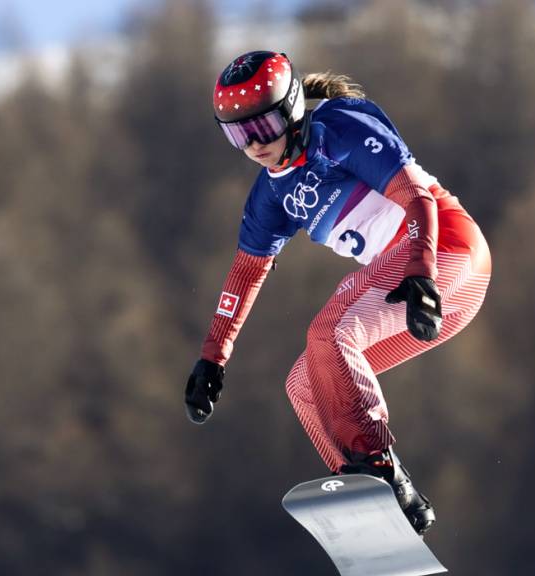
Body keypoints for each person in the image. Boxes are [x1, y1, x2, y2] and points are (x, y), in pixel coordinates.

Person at [184, 50, 492, 535]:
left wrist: (421, 270)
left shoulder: (338, 131)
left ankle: (380, 470)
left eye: (262, 127)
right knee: (305, 382)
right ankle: (377, 496)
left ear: (290, 109)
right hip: (421, 287)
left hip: (446, 254)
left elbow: (416, 198)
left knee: (329, 333)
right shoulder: (270, 195)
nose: (255, 145)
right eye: (239, 135)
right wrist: (212, 357)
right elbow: (244, 275)